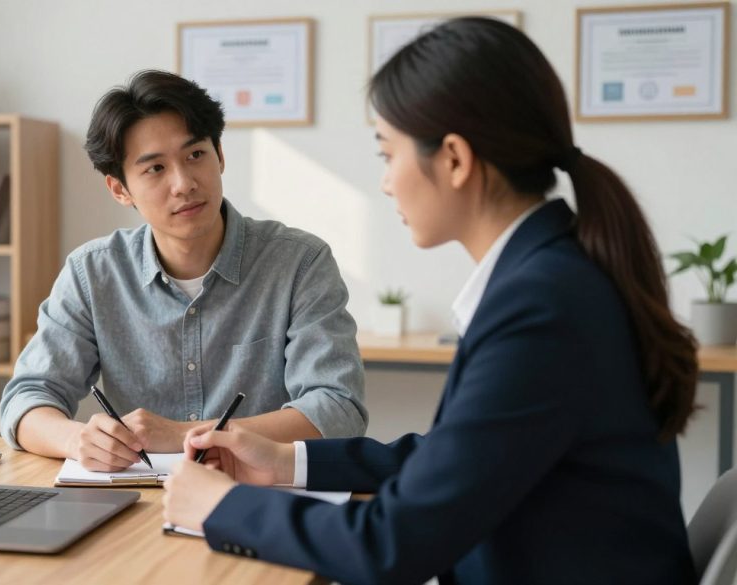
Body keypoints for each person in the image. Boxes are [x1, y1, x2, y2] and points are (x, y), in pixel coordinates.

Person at [163, 17, 698, 585]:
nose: (387, 182)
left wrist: (221, 507)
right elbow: (456, 455)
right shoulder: (550, 277)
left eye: (388, 154)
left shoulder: (542, 308)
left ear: (454, 159)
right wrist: (285, 461)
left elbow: (391, 546)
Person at [0, 70, 367, 472]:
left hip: (259, 495)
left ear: (220, 155)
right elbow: (26, 399)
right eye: (155, 168)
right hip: (140, 502)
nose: (184, 183)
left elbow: (337, 408)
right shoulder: (93, 273)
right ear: (120, 189)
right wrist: (78, 439)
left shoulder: (300, 262)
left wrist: (183, 434)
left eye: (195, 155)